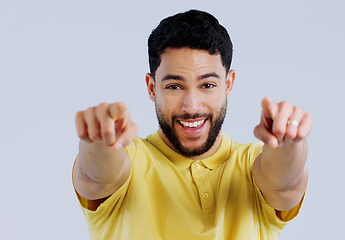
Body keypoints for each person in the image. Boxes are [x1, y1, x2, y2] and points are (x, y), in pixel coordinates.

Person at [73, 9, 312, 240]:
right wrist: (99, 142)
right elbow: (97, 177)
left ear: (228, 84)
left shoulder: (250, 163)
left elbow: (284, 184)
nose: (191, 106)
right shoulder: (132, 159)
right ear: (151, 87)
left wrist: (289, 142)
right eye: (174, 86)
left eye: (207, 85)